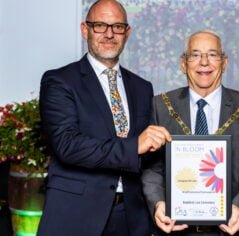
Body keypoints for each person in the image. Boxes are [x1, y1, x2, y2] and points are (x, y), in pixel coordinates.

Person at [38, 0, 170, 235]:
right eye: (100, 25)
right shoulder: (59, 81)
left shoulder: (142, 87)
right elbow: (67, 146)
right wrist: (134, 146)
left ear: (127, 33)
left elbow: (147, 160)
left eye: (117, 26)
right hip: (76, 215)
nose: (109, 34)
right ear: (84, 29)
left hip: (130, 217)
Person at [141, 30, 239, 235]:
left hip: (237, 229)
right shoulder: (161, 106)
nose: (204, 62)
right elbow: (152, 169)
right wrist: (158, 203)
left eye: (212, 54)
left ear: (224, 62)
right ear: (183, 63)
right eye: (195, 55)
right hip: (177, 229)